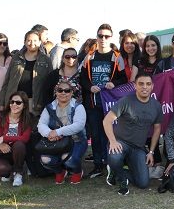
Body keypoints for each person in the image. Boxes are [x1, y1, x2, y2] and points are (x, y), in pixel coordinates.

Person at [79, 23, 128, 179]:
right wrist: (89, 87)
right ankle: (98, 164)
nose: (103, 39)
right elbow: (83, 78)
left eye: (106, 36)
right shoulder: (90, 56)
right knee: (95, 134)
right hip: (93, 102)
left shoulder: (117, 57)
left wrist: (114, 83)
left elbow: (124, 79)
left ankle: (111, 163)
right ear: (97, 37)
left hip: (110, 103)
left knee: (110, 134)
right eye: (100, 36)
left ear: (111, 37)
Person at [103, 73, 163, 195]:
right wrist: (113, 142)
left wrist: (151, 152)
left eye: (148, 84)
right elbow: (107, 121)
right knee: (115, 156)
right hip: (121, 142)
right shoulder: (126, 101)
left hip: (138, 148)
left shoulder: (156, 106)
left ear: (152, 86)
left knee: (143, 183)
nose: (144, 87)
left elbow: (157, 129)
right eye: (141, 84)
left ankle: (117, 170)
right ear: (135, 86)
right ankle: (121, 178)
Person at [36, 80, 87, 184]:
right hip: (56, 142)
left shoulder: (78, 107)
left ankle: (77, 171)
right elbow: (41, 124)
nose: (63, 93)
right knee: (45, 160)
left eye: (67, 90)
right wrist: (49, 134)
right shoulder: (49, 107)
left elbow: (79, 125)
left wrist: (58, 132)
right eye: (60, 90)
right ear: (56, 92)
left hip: (76, 141)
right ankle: (60, 171)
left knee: (68, 159)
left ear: (71, 93)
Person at [0, 91, 32, 186]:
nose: (14, 105)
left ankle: (18, 173)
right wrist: (0, 144)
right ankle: (9, 172)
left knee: (19, 144)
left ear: (24, 105)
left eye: (18, 102)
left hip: (17, 152)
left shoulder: (27, 119)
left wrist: (4, 138)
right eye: (12, 102)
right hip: (1, 153)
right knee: (3, 170)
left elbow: (25, 138)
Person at [0, 30, 51, 116]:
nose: (32, 43)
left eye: (35, 40)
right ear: (25, 42)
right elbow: (7, 80)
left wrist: (43, 103)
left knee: (31, 128)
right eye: (29, 40)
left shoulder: (46, 59)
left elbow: (49, 85)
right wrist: (2, 102)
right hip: (15, 101)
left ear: (39, 42)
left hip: (34, 102)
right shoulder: (16, 57)